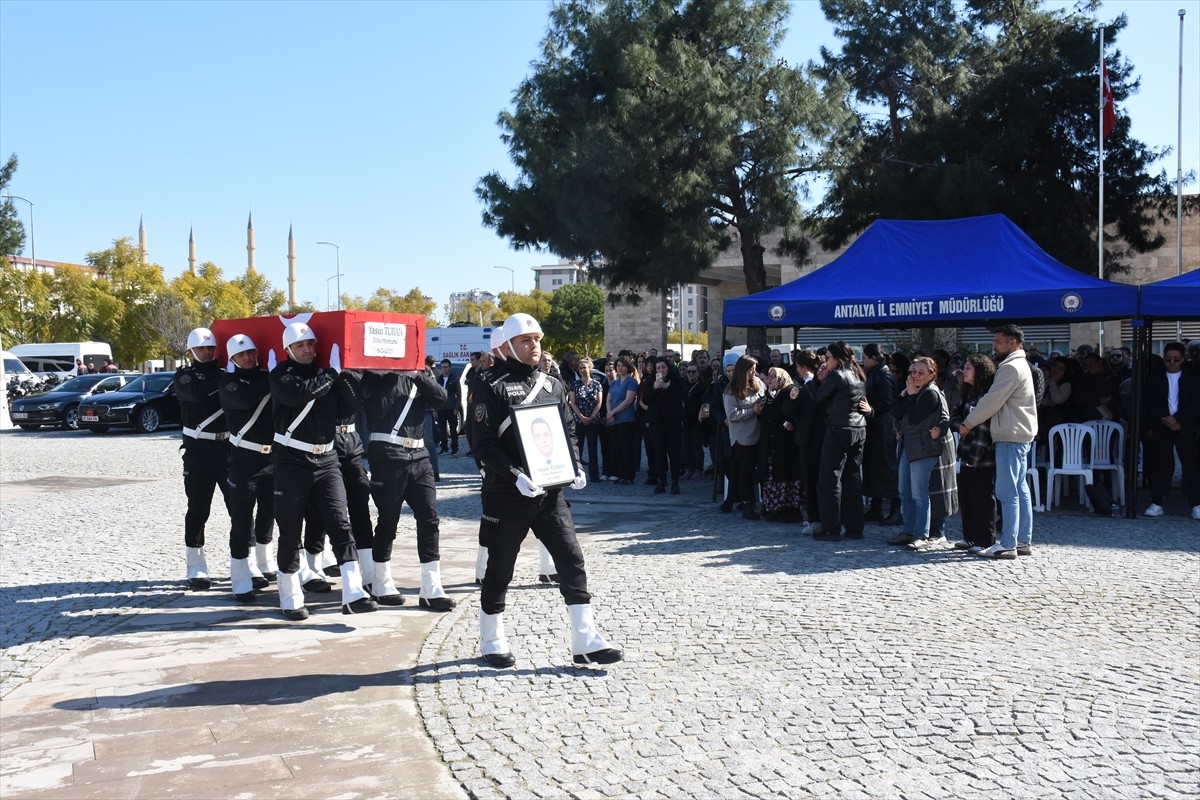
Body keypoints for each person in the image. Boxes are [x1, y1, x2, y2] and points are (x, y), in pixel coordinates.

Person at [469, 313, 621, 669]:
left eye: (536, 338)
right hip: (507, 494)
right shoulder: (489, 384)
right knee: (500, 567)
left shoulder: (553, 383)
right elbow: (483, 444)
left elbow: (567, 432)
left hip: (550, 494)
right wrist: (514, 475)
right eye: (525, 340)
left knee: (571, 560)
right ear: (507, 345)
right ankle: (492, 638)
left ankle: (585, 639)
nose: (533, 345)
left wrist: (576, 465)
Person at [269, 322, 377, 618]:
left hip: (327, 458)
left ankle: (353, 591)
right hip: (292, 460)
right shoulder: (280, 375)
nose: (308, 350)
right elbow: (302, 394)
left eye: (311, 345)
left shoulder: (325, 375)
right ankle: (289, 594)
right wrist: (332, 373)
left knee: (340, 522)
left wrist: (345, 376)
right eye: (301, 345)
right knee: (291, 528)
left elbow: (349, 408)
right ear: (288, 348)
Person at [361, 359, 456, 610]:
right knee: (388, 520)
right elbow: (377, 410)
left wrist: (417, 374)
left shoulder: (417, 375)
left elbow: (441, 398)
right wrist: (391, 374)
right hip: (388, 457)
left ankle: (431, 586)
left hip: (419, 456)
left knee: (429, 518)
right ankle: (380, 581)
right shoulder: (373, 376)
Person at [959, 324, 1039, 560]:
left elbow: (991, 401)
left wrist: (968, 423)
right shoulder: (1018, 365)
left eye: (998, 341)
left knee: (1007, 491)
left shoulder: (1010, 368)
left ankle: (1008, 544)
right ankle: (1023, 540)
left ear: (1013, 342)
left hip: (1010, 435)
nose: (994, 345)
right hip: (1018, 434)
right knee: (1020, 489)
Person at [219, 334, 275, 601]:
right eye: (242, 355)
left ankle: (263, 563)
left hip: (271, 458)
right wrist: (272, 376)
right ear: (232, 358)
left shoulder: (266, 376)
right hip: (243, 459)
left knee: (268, 513)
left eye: (252, 352)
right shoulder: (228, 382)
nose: (249, 357)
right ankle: (240, 577)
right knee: (241, 520)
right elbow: (245, 400)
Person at [175, 327, 230, 591]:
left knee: (240, 509)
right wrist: (227, 381)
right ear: (190, 351)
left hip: (228, 449)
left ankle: (245, 562)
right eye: (202, 348)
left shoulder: (224, 374)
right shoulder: (184, 376)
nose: (208, 352)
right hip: (199, 452)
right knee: (198, 509)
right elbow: (196, 394)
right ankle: (195, 566)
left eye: (211, 348)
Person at [888, 356, 956, 549]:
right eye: (912, 372)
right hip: (910, 448)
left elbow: (917, 417)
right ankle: (907, 530)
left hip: (925, 449)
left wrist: (909, 395)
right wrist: (904, 395)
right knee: (904, 491)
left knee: (919, 493)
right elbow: (898, 413)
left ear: (931, 375)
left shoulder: (930, 393)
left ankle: (922, 534)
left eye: (920, 372)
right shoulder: (912, 391)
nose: (915, 375)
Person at [807, 341, 867, 541]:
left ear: (838, 358)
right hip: (858, 428)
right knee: (852, 479)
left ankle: (831, 529)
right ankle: (855, 528)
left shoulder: (837, 375)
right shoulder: (858, 375)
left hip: (839, 428)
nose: (826, 361)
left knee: (830, 480)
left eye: (828, 358)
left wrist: (809, 380)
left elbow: (817, 396)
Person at [1142, 342, 1200, 519]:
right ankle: (1157, 502)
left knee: (1191, 466)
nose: (1172, 363)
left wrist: (1179, 419)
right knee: (1160, 465)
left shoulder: (1193, 377)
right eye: (1168, 359)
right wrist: (1167, 419)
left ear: (1183, 359)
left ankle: (1196, 503)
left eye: (1176, 359)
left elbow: (1196, 403)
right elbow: (1151, 401)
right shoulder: (1156, 377)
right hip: (1163, 425)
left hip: (1185, 426)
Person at [951, 354, 998, 553]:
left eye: (969, 367)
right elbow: (955, 417)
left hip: (982, 455)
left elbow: (984, 427)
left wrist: (966, 429)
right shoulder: (969, 393)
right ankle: (969, 537)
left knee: (982, 498)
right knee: (967, 496)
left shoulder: (987, 395)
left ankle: (985, 539)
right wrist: (962, 427)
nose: (964, 371)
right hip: (966, 451)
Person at [784, 350, 824, 534]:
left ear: (804, 367)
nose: (797, 371)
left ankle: (816, 519)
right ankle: (817, 517)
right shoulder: (817, 383)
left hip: (812, 438)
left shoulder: (811, 385)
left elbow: (795, 411)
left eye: (798, 367)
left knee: (812, 480)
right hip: (815, 437)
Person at [861, 343, 900, 526]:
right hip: (875, 426)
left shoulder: (884, 375)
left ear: (873, 358)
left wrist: (871, 409)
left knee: (887, 467)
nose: (863, 361)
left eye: (865, 357)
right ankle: (875, 507)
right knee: (874, 467)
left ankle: (896, 509)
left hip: (884, 426)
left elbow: (888, 402)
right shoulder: (876, 373)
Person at [757, 367, 803, 522]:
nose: (769, 379)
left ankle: (787, 509)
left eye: (773, 376)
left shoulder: (790, 392)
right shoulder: (768, 395)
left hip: (785, 443)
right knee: (771, 477)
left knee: (786, 477)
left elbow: (796, 413)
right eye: (768, 377)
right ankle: (771, 507)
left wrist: (793, 424)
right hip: (770, 443)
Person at [723, 355, 765, 520]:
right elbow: (732, 414)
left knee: (753, 469)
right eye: (750, 369)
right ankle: (747, 503)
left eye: (755, 368)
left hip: (758, 432)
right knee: (745, 471)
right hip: (743, 436)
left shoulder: (758, 383)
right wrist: (751, 411)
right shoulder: (731, 390)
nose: (753, 372)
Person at [646, 356, 685, 494]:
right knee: (659, 452)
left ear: (668, 368)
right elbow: (646, 399)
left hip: (672, 421)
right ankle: (661, 480)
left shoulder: (675, 379)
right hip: (657, 422)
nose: (661, 370)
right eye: (658, 368)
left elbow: (683, 395)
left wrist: (670, 387)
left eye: (663, 367)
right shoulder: (651, 380)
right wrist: (655, 388)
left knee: (674, 452)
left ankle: (675, 481)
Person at [568, 356, 603, 483]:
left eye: (585, 367)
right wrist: (581, 417)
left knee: (593, 449)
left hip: (593, 420)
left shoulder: (597, 384)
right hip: (579, 420)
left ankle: (594, 476)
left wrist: (592, 417)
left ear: (590, 368)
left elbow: (599, 403)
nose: (583, 370)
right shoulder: (575, 384)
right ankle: (576, 475)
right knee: (578, 448)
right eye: (580, 368)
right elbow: (572, 403)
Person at [605, 355, 640, 485]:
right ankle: (621, 474)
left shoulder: (631, 381)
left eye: (623, 365)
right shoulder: (614, 382)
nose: (620, 368)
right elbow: (608, 399)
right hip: (613, 420)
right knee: (617, 449)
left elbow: (628, 401)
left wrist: (613, 412)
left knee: (626, 448)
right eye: (618, 365)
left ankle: (629, 476)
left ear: (628, 367)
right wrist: (609, 413)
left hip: (626, 419)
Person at [681, 361, 707, 480]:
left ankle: (698, 469)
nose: (691, 374)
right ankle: (688, 469)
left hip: (697, 420)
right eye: (689, 372)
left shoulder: (702, 386)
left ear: (698, 373)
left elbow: (702, 403)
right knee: (686, 446)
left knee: (696, 445)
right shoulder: (683, 385)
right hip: (685, 420)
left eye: (693, 371)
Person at [435, 359, 461, 456]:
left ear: (450, 367)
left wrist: (456, 408)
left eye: (446, 367)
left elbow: (459, 395)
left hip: (451, 408)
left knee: (453, 430)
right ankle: (444, 448)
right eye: (442, 367)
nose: (444, 369)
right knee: (442, 429)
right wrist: (435, 408)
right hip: (441, 408)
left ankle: (455, 448)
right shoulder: (439, 379)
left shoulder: (455, 379)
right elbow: (436, 394)